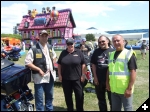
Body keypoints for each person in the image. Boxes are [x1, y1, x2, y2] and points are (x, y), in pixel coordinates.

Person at [25, 30, 57, 111]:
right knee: (39, 99)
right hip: (39, 78)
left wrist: (53, 61)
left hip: (50, 76)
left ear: (47, 37)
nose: (44, 37)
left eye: (46, 36)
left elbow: (54, 56)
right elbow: (27, 63)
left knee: (50, 97)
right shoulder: (34, 48)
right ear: (39, 37)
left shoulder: (50, 47)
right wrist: (39, 69)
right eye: (42, 36)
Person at [106, 34, 137, 111]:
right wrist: (107, 83)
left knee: (128, 109)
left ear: (123, 41)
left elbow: (133, 72)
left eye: (118, 40)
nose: (116, 42)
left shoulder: (129, 54)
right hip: (114, 89)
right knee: (115, 109)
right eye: (114, 41)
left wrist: (129, 89)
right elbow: (109, 70)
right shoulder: (111, 54)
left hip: (125, 89)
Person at [57, 38, 86, 111]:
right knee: (68, 96)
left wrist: (83, 75)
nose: (70, 46)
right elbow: (59, 64)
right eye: (68, 44)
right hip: (66, 79)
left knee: (79, 95)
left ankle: (79, 109)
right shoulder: (63, 53)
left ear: (74, 44)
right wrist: (59, 75)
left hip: (77, 79)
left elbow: (83, 64)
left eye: (71, 44)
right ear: (66, 45)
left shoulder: (79, 52)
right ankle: (70, 109)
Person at [91, 35, 114, 111]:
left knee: (112, 100)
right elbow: (93, 64)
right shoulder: (96, 51)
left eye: (103, 41)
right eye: (99, 42)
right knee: (101, 100)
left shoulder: (113, 51)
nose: (101, 43)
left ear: (107, 41)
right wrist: (95, 77)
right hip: (99, 80)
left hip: (111, 80)